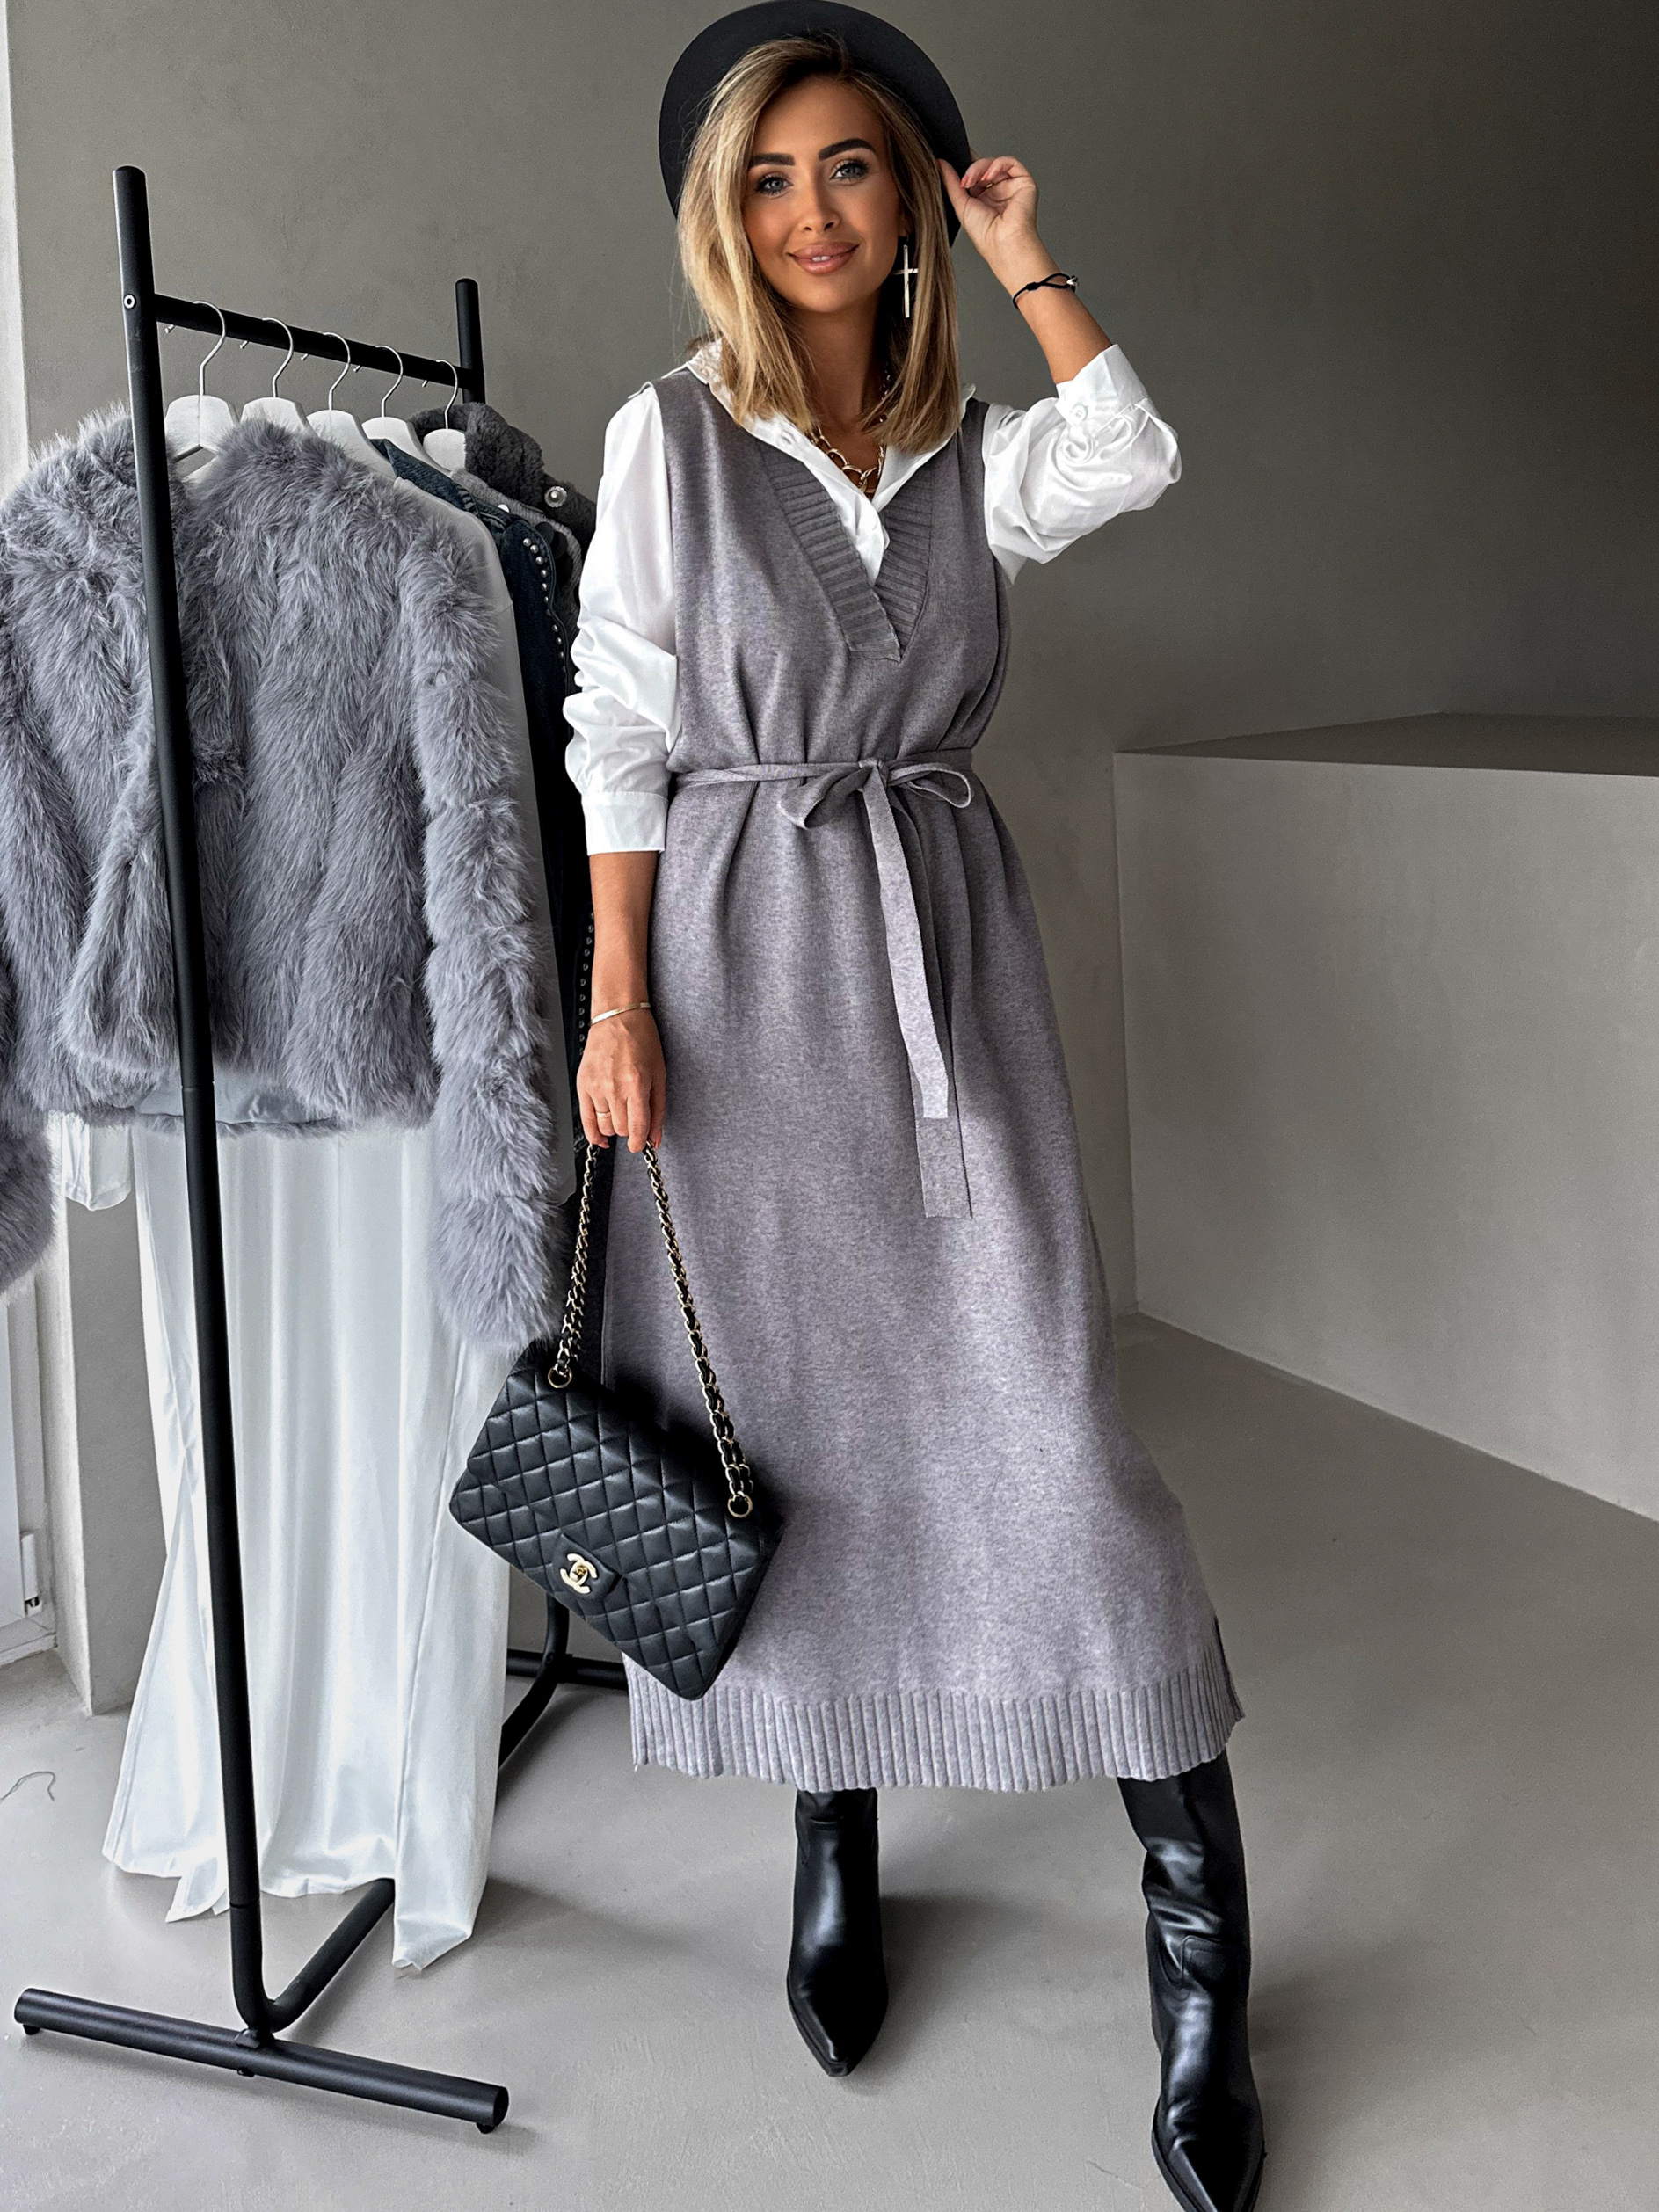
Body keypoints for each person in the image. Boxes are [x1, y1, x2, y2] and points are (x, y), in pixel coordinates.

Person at [562, 9, 1263, 2208]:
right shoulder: (669, 438)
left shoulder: (971, 445)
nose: (807, 214)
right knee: (798, 1436)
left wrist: (1021, 245)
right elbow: (617, 731)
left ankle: (1199, 1949)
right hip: (737, 980)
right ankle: (832, 1826)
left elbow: (1127, 449)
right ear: (722, 211)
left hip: (940, 964)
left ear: (911, 200)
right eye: (768, 178)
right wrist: (615, 1003)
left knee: (1052, 1436)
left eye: (849, 168)